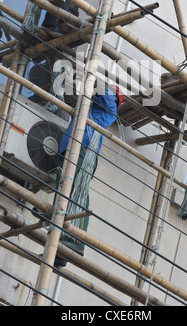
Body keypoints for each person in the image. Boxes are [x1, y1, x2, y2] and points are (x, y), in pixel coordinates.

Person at [54, 85, 124, 266]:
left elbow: (107, 96)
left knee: (78, 191)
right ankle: (59, 245)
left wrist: (99, 87)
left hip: (83, 149)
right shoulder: (87, 109)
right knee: (63, 189)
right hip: (70, 148)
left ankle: (74, 239)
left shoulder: (109, 109)